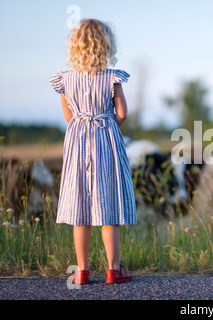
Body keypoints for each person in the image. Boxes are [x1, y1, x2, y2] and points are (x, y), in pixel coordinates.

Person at [50, 19, 136, 284]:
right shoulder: (112, 77)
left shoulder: (64, 80)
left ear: (75, 45)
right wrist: (108, 125)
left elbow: (68, 117)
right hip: (106, 139)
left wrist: (84, 124)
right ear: (106, 45)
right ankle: (113, 270)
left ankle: (82, 271)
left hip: (77, 142)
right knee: (108, 204)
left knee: (81, 208)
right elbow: (121, 113)